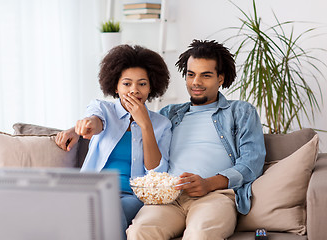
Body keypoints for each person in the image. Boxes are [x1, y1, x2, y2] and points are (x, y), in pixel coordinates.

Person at [126, 39, 266, 240]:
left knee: (200, 235)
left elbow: (252, 163)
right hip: (168, 198)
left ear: (220, 79)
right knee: (139, 232)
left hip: (214, 196)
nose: (196, 83)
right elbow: (121, 123)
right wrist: (79, 127)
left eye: (205, 75)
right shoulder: (168, 114)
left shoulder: (241, 112)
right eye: (191, 75)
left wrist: (209, 184)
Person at [54, 44, 172, 239]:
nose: (134, 90)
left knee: (109, 210)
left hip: (133, 198)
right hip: (91, 192)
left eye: (142, 84)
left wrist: (146, 126)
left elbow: (156, 174)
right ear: (115, 86)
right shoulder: (103, 109)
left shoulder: (161, 124)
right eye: (127, 84)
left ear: (151, 87)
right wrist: (83, 126)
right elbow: (95, 120)